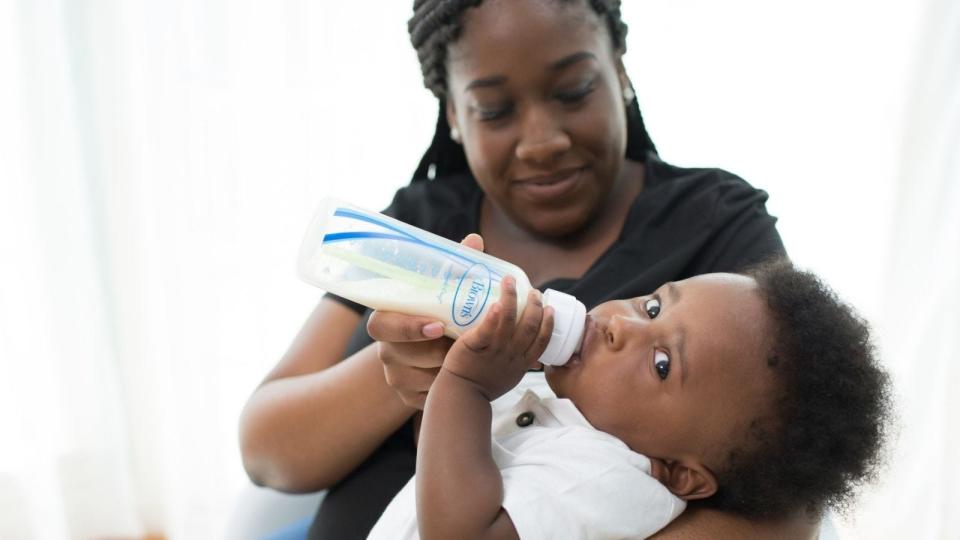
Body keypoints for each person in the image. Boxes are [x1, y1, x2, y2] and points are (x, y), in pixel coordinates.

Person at [238, 0, 806, 538]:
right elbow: (267, 453)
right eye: (495, 109)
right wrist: (408, 377)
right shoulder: (418, 228)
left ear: (620, 69)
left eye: (574, 90)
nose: (543, 142)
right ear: (454, 114)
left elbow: (791, 500)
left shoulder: (715, 226)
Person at [366, 259, 891, 539]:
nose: (622, 325)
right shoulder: (578, 406)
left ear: (683, 475)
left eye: (662, 365)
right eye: (656, 306)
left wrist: (464, 387)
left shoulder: (614, 479)